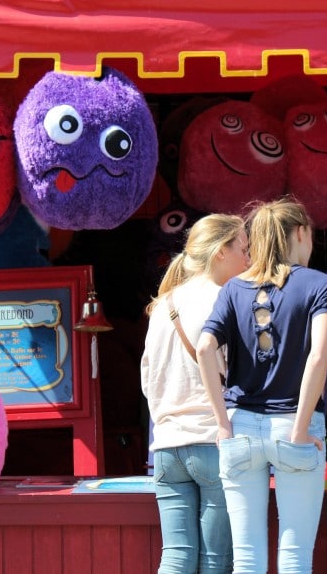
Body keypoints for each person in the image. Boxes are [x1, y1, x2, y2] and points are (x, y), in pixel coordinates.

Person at [195, 197, 327, 574]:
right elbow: (318, 356)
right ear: (301, 233)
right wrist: (300, 428)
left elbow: (204, 347)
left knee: (247, 557)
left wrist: (222, 423)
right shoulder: (322, 285)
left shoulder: (233, 289)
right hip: (295, 422)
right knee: (295, 553)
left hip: (241, 425)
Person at [140, 213, 250, 574]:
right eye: (244, 249)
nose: (249, 259)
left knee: (175, 557)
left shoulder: (164, 305)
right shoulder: (228, 301)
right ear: (220, 252)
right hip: (213, 442)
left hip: (167, 446)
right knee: (216, 561)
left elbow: (147, 378)